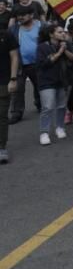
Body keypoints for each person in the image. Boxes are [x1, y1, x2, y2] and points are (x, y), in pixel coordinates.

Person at [36, 24, 73, 145]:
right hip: (47, 80)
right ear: (51, 34)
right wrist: (59, 52)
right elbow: (44, 63)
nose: (63, 34)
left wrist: (65, 49)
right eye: (59, 32)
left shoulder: (67, 44)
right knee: (47, 106)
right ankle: (44, 132)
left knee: (62, 105)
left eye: (63, 32)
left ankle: (60, 127)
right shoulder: (42, 47)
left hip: (62, 80)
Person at [8, 4, 40, 124]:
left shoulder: (41, 26)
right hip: (20, 64)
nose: (20, 17)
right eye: (18, 16)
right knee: (17, 89)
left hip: (38, 63)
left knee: (39, 85)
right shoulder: (14, 29)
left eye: (23, 15)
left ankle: (40, 104)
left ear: (31, 15)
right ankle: (16, 112)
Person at [0, 14, 18, 163]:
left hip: (3, 82)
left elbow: (14, 57)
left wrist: (13, 79)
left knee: (1, 116)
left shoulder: (6, 35)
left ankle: (1, 147)